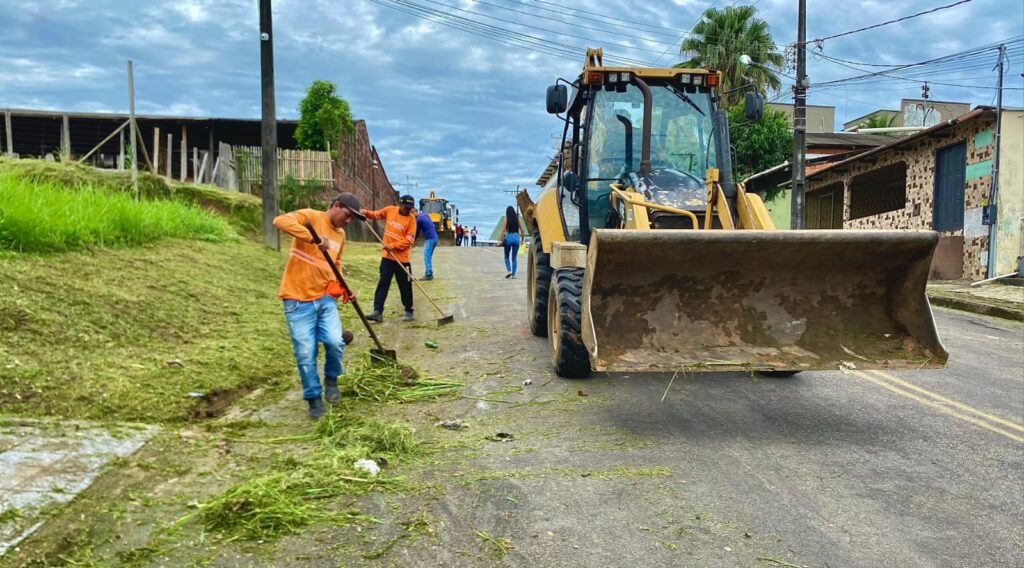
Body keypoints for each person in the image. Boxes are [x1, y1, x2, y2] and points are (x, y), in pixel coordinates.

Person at [272, 193, 365, 419]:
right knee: (306, 353)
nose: (348, 221)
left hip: (325, 299)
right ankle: (313, 398)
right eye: (347, 215)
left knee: (335, 342)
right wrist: (313, 238)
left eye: (352, 219)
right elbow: (280, 221)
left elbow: (336, 262)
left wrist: (341, 286)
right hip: (297, 300)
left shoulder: (341, 234)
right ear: (336, 205)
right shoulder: (311, 217)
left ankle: (331, 379)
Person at [363, 195, 417, 322]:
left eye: (410, 208)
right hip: (387, 258)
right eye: (406, 207)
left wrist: (392, 246)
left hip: (403, 260)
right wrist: (365, 213)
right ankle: (377, 311)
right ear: (400, 204)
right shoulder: (390, 210)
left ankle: (408, 310)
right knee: (383, 283)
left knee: (405, 285)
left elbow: (409, 240)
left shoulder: (412, 219)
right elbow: (376, 215)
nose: (408, 210)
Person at [499, 206, 524, 278]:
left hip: (508, 238)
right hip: (516, 238)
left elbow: (503, 229)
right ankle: (513, 275)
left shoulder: (506, 218)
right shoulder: (518, 218)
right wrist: (522, 240)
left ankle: (509, 270)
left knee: (506, 256)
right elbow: (522, 230)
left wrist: (501, 239)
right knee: (514, 257)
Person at [416, 209, 438, 280]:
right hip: (435, 238)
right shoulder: (425, 215)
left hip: (430, 239)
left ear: (415, 212)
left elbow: (416, 232)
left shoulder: (418, 220)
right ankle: (429, 272)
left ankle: (428, 274)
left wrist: (412, 240)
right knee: (429, 256)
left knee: (427, 257)